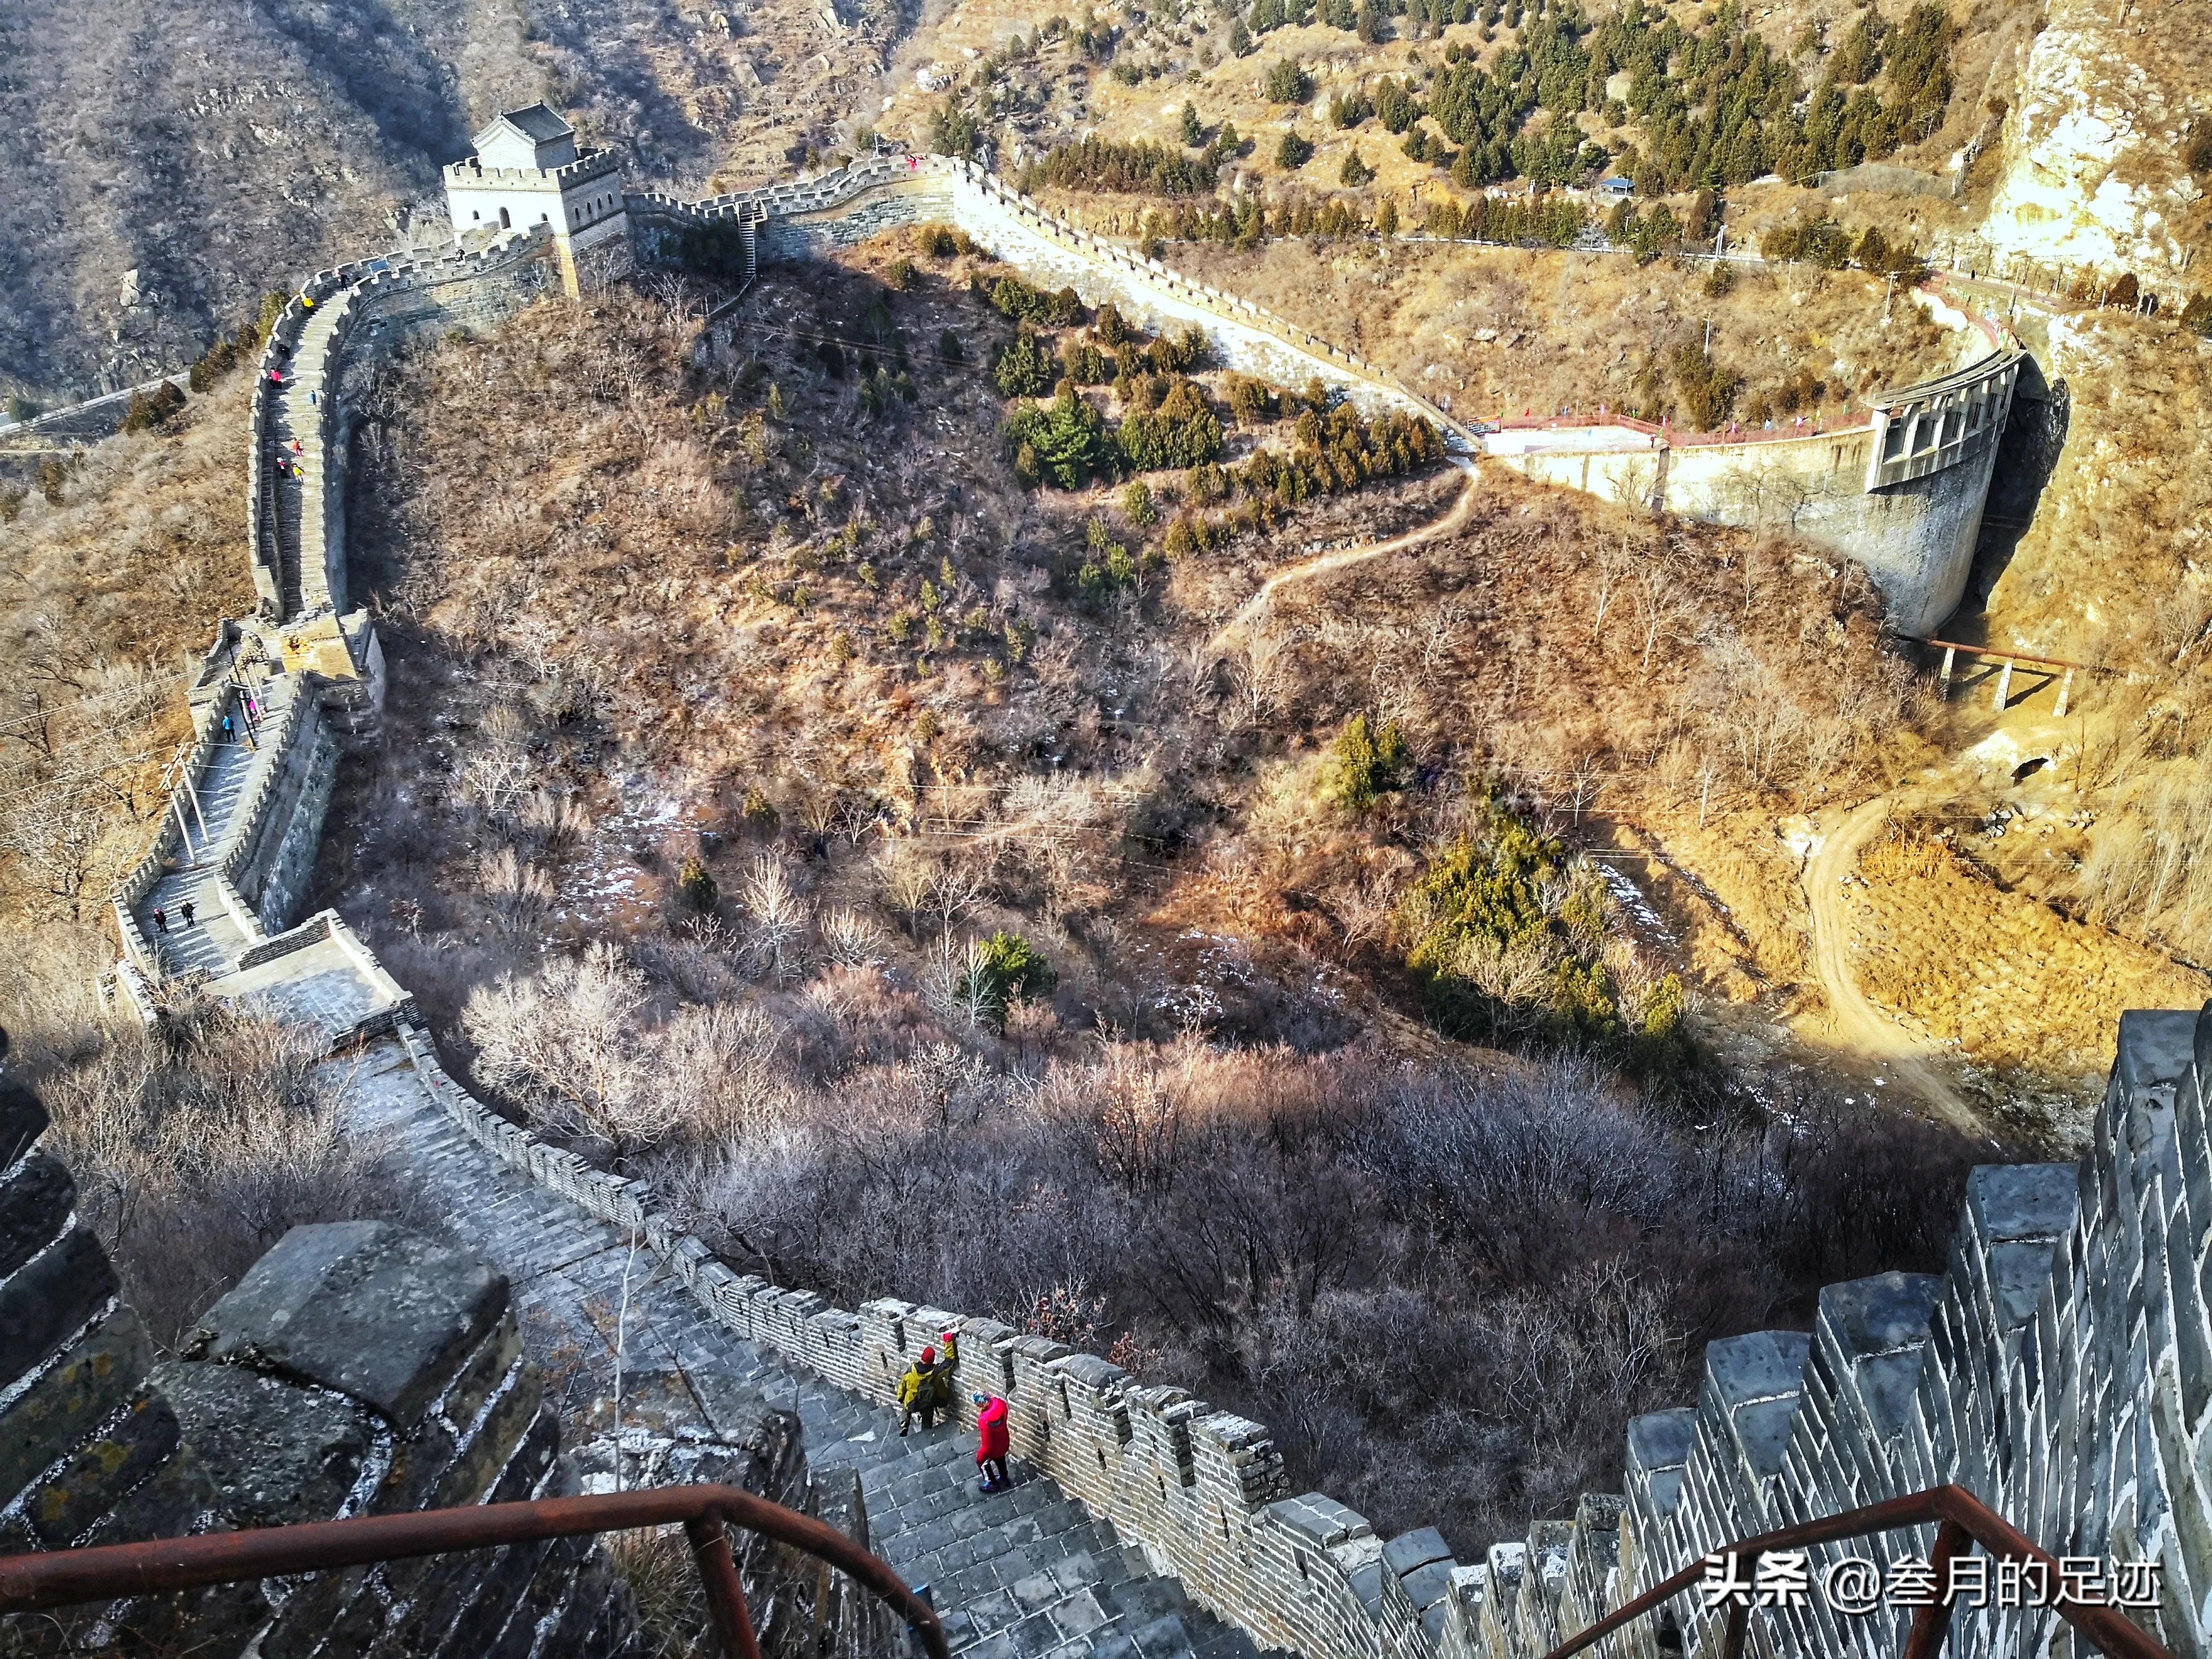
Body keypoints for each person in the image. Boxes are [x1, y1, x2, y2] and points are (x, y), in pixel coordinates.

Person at [896, 1331, 959, 1435]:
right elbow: (949, 1361)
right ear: (932, 1360)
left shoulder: (911, 1370)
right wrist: (948, 1341)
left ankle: (905, 1423)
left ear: (922, 1357)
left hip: (912, 1402)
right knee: (927, 1418)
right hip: (927, 1403)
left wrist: (900, 1397)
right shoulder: (936, 1372)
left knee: (906, 1405)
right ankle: (925, 1435)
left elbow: (903, 1385)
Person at [972, 1392, 1010, 1492]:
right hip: (1004, 1441)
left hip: (993, 1448)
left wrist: (981, 1456)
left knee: (982, 1462)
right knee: (1000, 1459)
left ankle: (992, 1483)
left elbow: (987, 1446)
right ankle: (1004, 1478)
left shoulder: (984, 1421)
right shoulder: (1000, 1403)